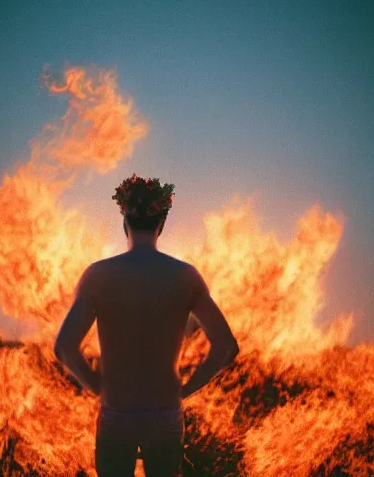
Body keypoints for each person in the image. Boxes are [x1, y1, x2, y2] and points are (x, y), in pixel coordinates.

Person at [54, 173, 239, 477]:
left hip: (117, 413)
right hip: (164, 414)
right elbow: (226, 347)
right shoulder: (185, 276)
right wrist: (186, 389)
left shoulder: (98, 275)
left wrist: (97, 387)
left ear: (124, 221)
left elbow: (64, 347)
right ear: (161, 225)